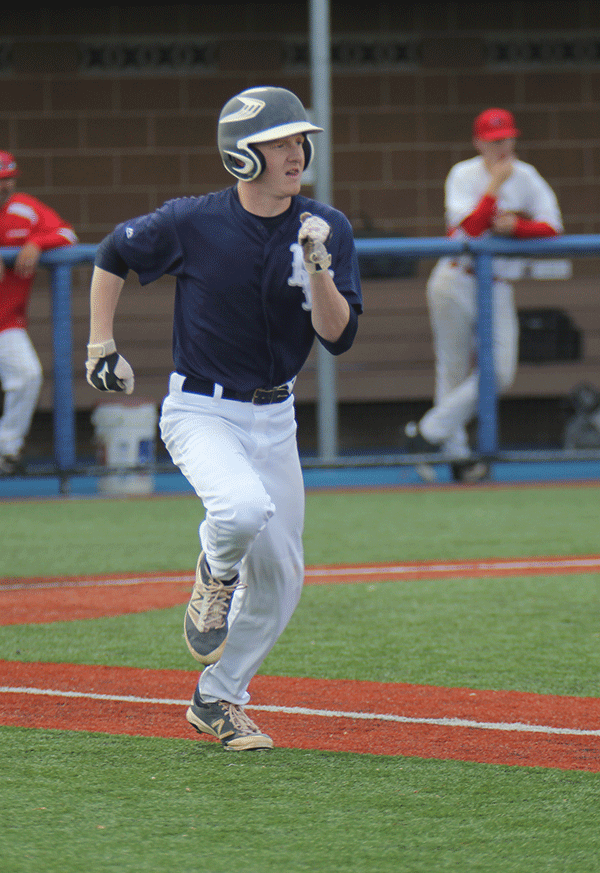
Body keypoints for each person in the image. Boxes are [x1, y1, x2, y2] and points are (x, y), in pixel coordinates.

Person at [85, 86, 363, 750]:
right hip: (200, 409)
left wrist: (318, 265)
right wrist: (101, 344)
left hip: (276, 414)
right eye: (278, 142)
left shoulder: (326, 226)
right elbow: (113, 253)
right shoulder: (192, 220)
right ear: (242, 154)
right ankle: (214, 575)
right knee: (239, 510)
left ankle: (218, 697)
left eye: (299, 139)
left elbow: (338, 336)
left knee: (283, 579)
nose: (295, 152)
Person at [404, 108, 564, 483]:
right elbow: (471, 231)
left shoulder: (526, 176)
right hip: (457, 278)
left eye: (507, 138)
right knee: (453, 370)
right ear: (478, 143)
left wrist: (518, 227)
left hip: (498, 285)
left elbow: (553, 228)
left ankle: (425, 433)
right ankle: (459, 458)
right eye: (494, 141)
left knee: (501, 372)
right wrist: (494, 187)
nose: (502, 146)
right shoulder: (463, 174)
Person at [0, 151, 78, 474]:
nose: (3, 187)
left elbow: (68, 235)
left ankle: (5, 450)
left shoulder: (25, 210)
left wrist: (36, 243)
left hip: (6, 322)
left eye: (8, 180)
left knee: (28, 375)